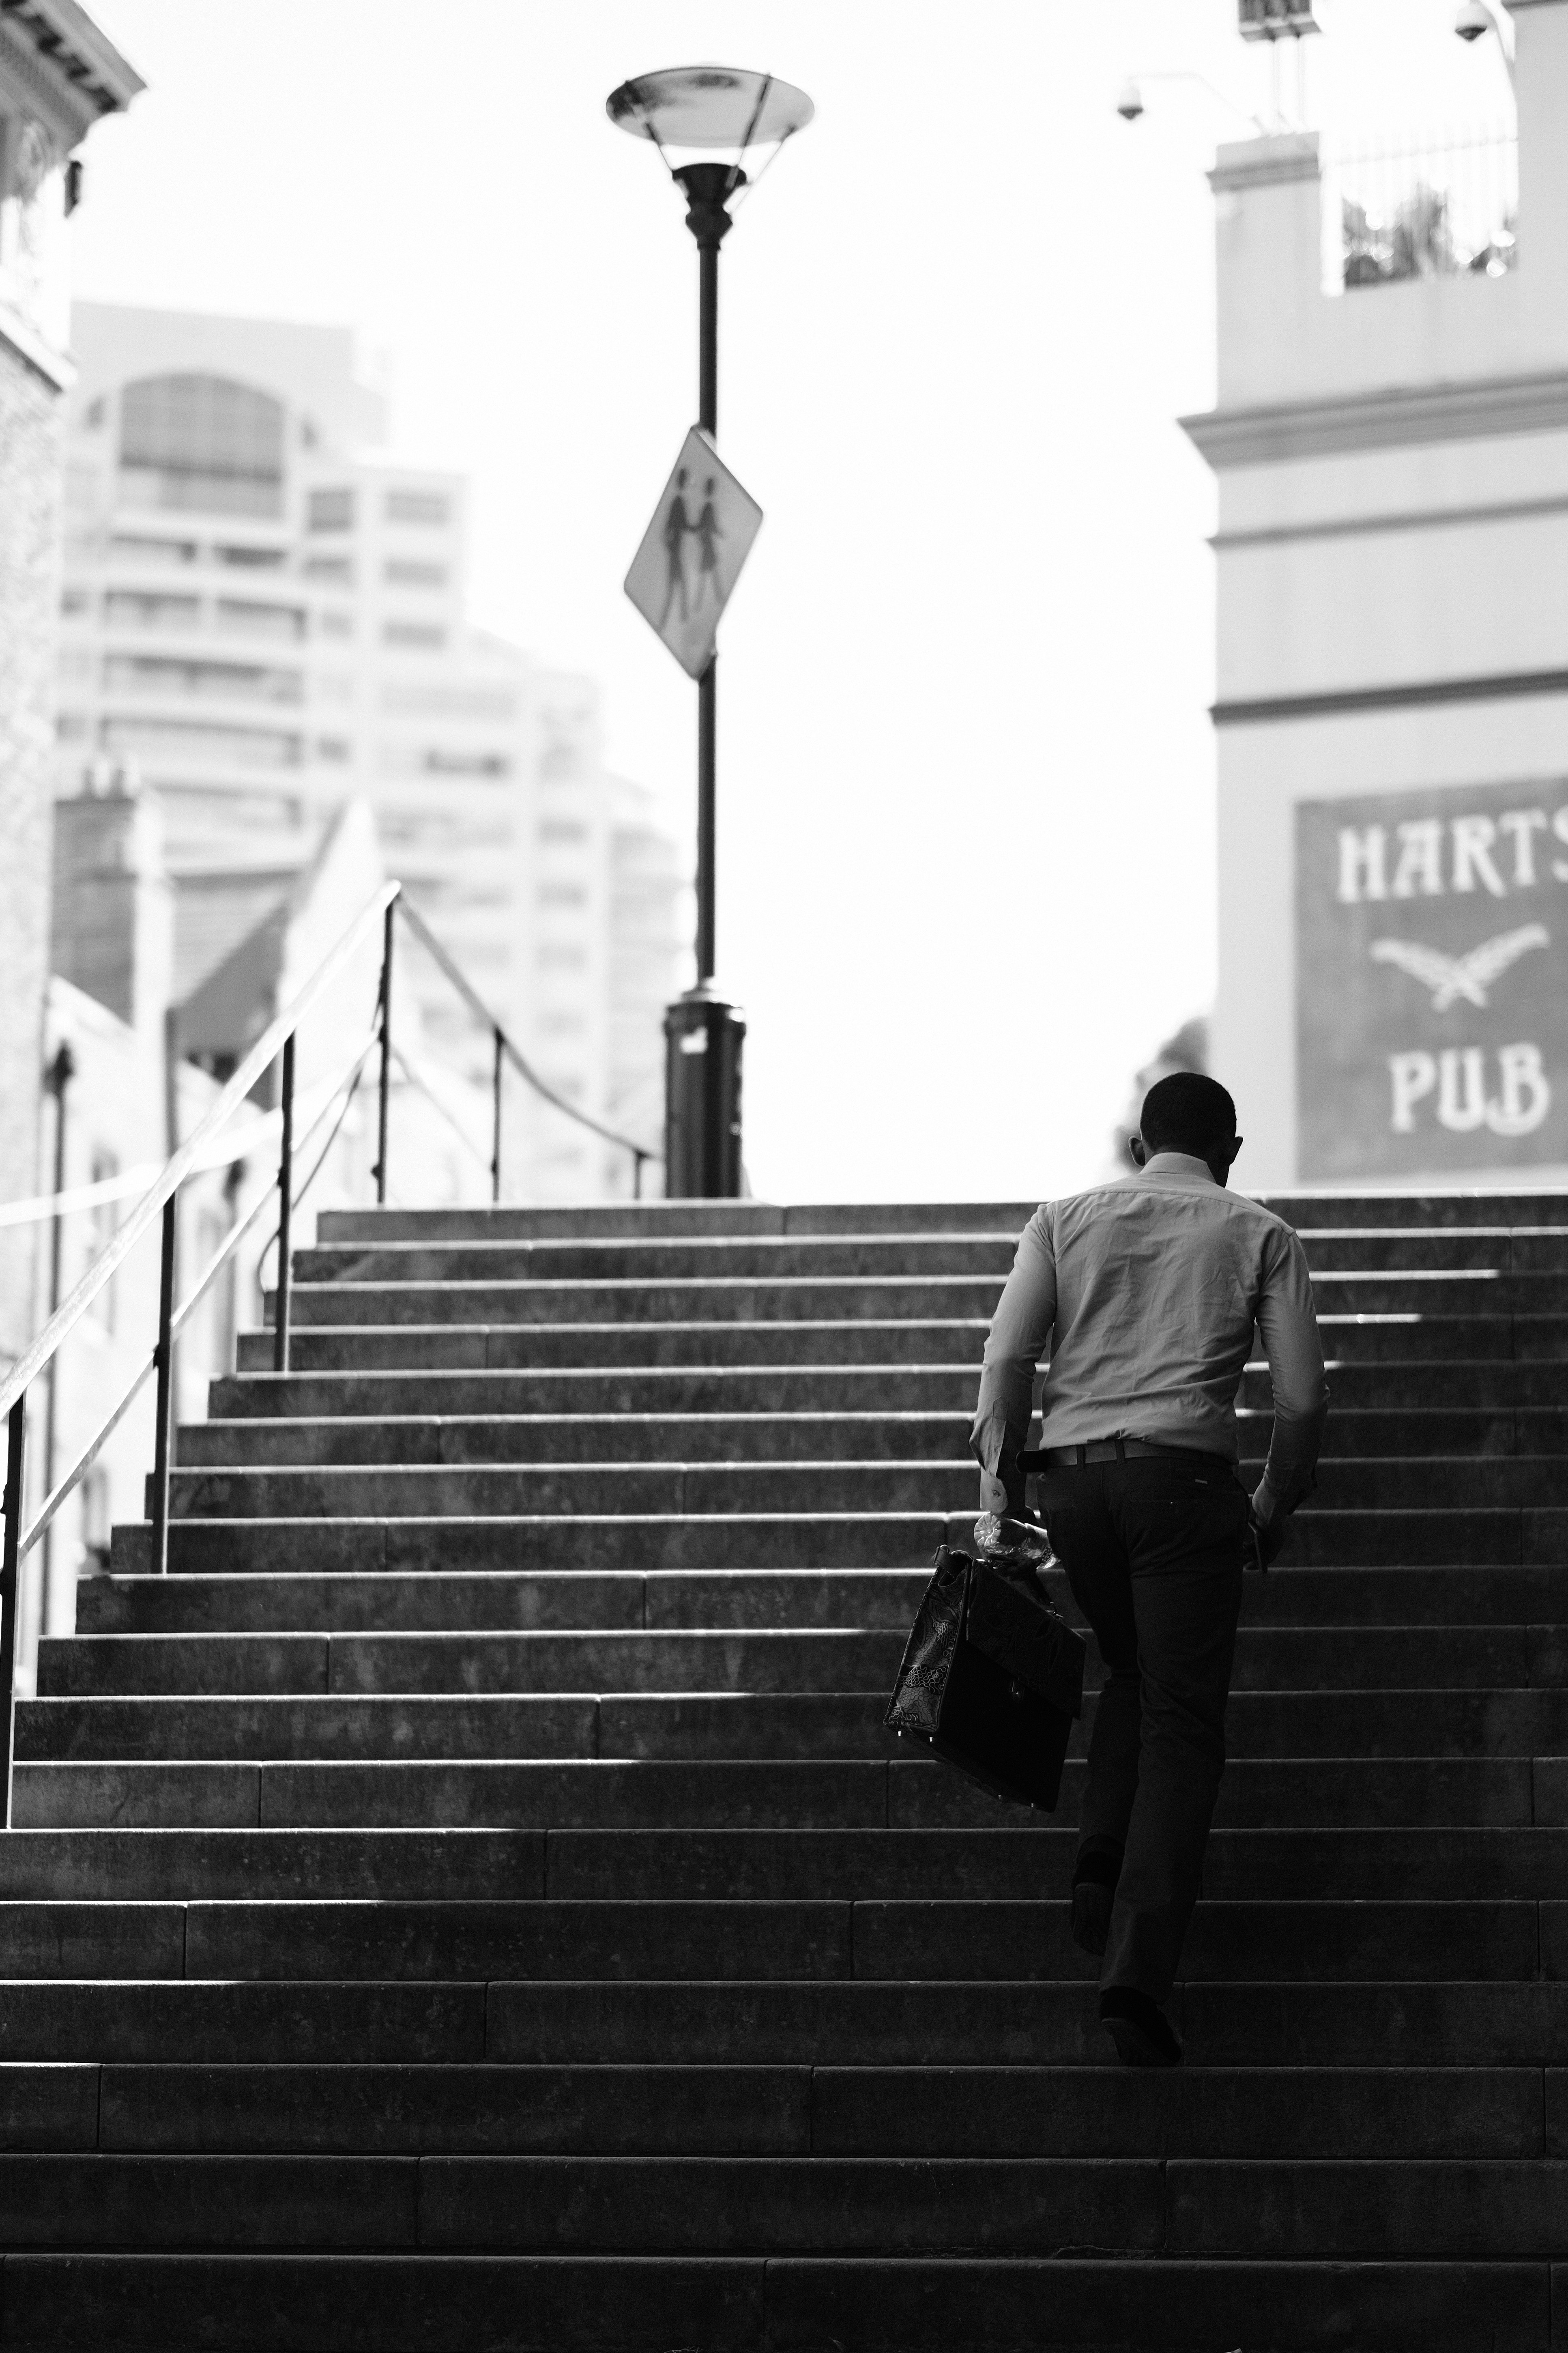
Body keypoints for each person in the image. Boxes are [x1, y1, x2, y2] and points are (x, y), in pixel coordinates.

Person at [970, 1071, 1327, 2068]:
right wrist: (1268, 1506)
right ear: (1234, 1150)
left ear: (1138, 1145)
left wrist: (1001, 1494)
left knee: (1130, 1667)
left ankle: (1099, 1854)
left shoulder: (1062, 1217)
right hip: (1183, 1491)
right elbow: (1300, 1404)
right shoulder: (1260, 1232)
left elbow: (1007, 1358)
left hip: (1075, 1490)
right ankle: (1134, 1978)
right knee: (1183, 1723)